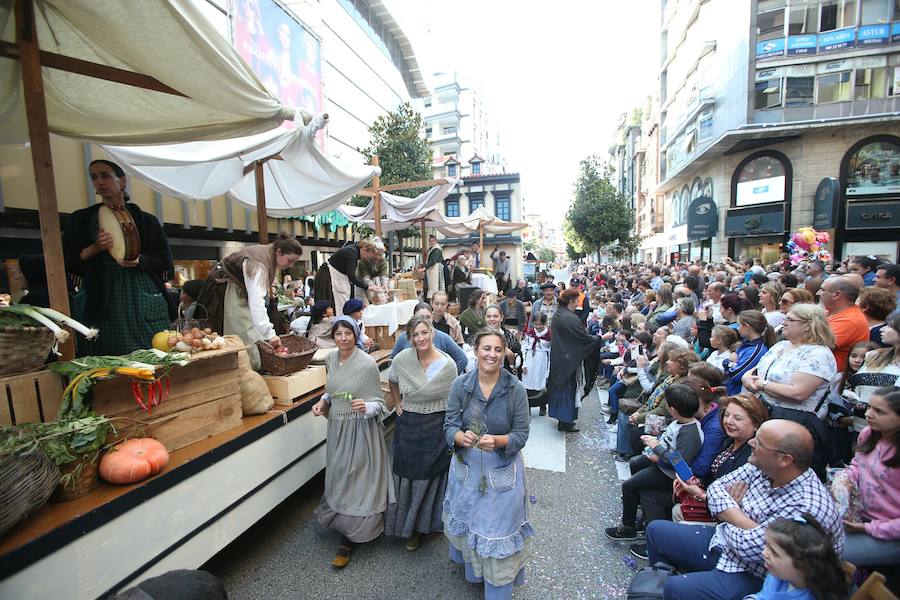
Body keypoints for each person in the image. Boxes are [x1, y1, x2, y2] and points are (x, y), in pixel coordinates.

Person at [645, 420, 844, 600]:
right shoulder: (764, 466)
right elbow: (715, 489)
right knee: (655, 531)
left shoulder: (807, 506)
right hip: (725, 541)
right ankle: (658, 583)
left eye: (759, 443)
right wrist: (747, 521)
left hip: (759, 574)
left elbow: (753, 550)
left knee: (675, 588)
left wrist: (730, 514)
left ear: (785, 459)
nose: (751, 443)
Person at [443, 328, 532, 600]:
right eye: (486, 348)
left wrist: (500, 440)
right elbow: (449, 425)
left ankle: (498, 588)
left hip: (501, 470)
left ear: (504, 353)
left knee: (497, 530)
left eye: (497, 349)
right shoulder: (461, 384)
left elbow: (522, 433)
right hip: (468, 469)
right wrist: (460, 436)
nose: (491, 355)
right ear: (475, 350)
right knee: (471, 521)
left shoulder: (515, 389)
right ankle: (475, 571)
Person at [63, 159, 177, 356]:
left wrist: (140, 261)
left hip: (140, 292)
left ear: (122, 181)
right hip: (98, 293)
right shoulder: (80, 219)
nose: (99, 182)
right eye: (94, 177)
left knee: (150, 350)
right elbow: (66, 260)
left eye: (105, 176)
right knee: (102, 352)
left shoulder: (147, 221)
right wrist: (95, 248)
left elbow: (165, 262)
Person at [312, 317, 394, 568]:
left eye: (348, 333)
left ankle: (351, 536)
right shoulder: (331, 360)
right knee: (339, 475)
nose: (344, 338)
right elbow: (335, 390)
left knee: (357, 477)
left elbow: (380, 403)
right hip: (337, 427)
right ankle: (343, 525)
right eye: (339, 334)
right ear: (333, 337)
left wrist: (365, 406)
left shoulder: (367, 364)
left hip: (361, 430)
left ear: (355, 335)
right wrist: (323, 402)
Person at [385, 316, 457, 551]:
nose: (420, 338)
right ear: (410, 338)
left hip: (436, 425)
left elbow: (454, 400)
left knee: (431, 476)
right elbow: (392, 380)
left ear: (432, 333)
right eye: (415, 335)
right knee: (408, 475)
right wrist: (397, 403)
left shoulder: (447, 365)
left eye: (424, 333)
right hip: (409, 425)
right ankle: (407, 527)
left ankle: (426, 526)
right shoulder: (402, 360)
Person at [743, 303, 837, 479]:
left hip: (795, 423)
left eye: (790, 319)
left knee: (785, 472)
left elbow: (799, 393)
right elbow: (756, 371)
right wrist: (746, 378)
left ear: (809, 324)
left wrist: (762, 385)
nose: (784, 322)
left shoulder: (818, 354)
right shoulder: (781, 346)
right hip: (765, 413)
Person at [605, 383, 704, 541]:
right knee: (636, 464)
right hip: (660, 465)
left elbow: (680, 464)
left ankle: (627, 527)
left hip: (667, 475)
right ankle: (639, 513)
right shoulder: (680, 421)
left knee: (628, 486)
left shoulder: (691, 433)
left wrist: (657, 448)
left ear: (673, 409)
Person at [671, 393, 769, 523]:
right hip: (712, 500)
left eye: (737, 418)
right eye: (727, 415)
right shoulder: (728, 441)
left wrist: (700, 493)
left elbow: (732, 504)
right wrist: (699, 482)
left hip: (725, 520)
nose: (728, 421)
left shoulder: (753, 457)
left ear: (756, 423)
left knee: (676, 512)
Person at [838, 387, 900, 581]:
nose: (868, 414)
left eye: (879, 411)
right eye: (869, 407)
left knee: (826, 554)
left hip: (890, 534)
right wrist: (845, 478)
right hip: (858, 519)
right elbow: (858, 465)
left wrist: (867, 529)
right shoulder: (868, 433)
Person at [615, 346, 697, 461]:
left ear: (681, 366)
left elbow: (662, 410)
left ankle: (629, 454)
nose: (668, 362)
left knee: (633, 428)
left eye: (671, 360)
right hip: (653, 411)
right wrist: (638, 412)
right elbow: (652, 399)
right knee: (626, 415)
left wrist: (639, 417)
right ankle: (625, 450)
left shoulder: (678, 385)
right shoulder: (671, 378)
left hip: (665, 420)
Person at [746, 514, 850, 600]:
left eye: (774, 553)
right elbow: (764, 596)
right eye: (766, 545)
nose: (764, 553)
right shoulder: (777, 575)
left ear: (803, 567)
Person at [548, 288, 603, 432]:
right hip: (567, 360)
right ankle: (566, 421)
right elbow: (582, 339)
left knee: (562, 390)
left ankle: (563, 420)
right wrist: (599, 339)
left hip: (560, 357)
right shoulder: (569, 317)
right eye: (577, 300)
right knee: (567, 390)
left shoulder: (560, 314)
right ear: (571, 301)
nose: (579, 303)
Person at [390, 303, 468, 374]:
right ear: (413, 318)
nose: (424, 320)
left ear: (432, 318)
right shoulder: (403, 338)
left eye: (427, 317)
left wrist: (447, 378)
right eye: (420, 317)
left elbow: (462, 359)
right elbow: (392, 361)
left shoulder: (443, 337)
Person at [313, 239, 385, 316]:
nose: (366, 258)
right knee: (339, 302)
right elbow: (352, 276)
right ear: (363, 250)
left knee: (342, 299)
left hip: (337, 276)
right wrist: (367, 287)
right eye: (367, 255)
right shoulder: (352, 253)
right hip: (330, 276)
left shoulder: (353, 251)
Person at [818, 276, 869, 374]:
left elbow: (815, 345)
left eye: (823, 290)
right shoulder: (833, 312)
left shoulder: (850, 320)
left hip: (830, 378)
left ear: (836, 295)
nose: (818, 293)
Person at [722, 310, 775, 396]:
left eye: (739, 325)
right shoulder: (746, 344)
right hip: (730, 391)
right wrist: (731, 362)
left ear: (747, 327)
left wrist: (728, 363)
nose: (737, 328)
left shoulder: (757, 350)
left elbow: (737, 374)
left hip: (739, 394)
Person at [522, 312, 551, 416]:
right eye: (536, 324)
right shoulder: (529, 333)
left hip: (542, 361)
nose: (538, 327)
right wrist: (524, 364)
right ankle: (528, 406)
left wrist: (548, 369)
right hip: (530, 360)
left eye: (540, 325)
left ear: (545, 323)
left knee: (541, 384)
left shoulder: (549, 335)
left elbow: (550, 352)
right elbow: (524, 348)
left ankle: (542, 406)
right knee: (528, 385)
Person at [484, 304, 522, 376]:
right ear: (485, 318)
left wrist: (508, 353)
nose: (492, 319)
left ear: (501, 318)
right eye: (489, 316)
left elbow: (518, 361)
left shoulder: (510, 337)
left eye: (495, 316)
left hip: (505, 378)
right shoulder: (478, 337)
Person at [424, 235, 445, 301]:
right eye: (430, 241)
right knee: (433, 286)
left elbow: (433, 260)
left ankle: (435, 299)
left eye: (433, 241)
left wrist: (425, 267)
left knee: (435, 286)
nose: (431, 242)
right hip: (433, 269)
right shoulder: (432, 249)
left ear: (436, 241)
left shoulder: (437, 249)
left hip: (435, 269)